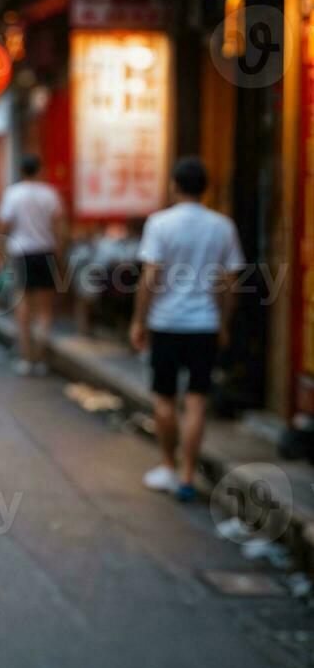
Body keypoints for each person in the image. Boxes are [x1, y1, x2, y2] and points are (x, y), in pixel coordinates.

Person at [130, 157, 244, 502]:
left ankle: (167, 464)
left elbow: (150, 277)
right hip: (204, 325)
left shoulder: (160, 223)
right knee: (196, 402)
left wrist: (139, 320)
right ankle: (188, 475)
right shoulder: (223, 226)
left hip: (166, 324)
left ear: (174, 186)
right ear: (205, 189)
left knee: (164, 399)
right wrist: (223, 323)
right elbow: (230, 281)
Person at [0, 155, 63, 376]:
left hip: (21, 253)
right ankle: (41, 357)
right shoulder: (49, 194)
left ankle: (26, 357)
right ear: (40, 170)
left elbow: (4, 225)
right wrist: (60, 255)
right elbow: (58, 227)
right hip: (45, 253)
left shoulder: (13, 194)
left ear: (21, 171)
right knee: (44, 309)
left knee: (23, 305)